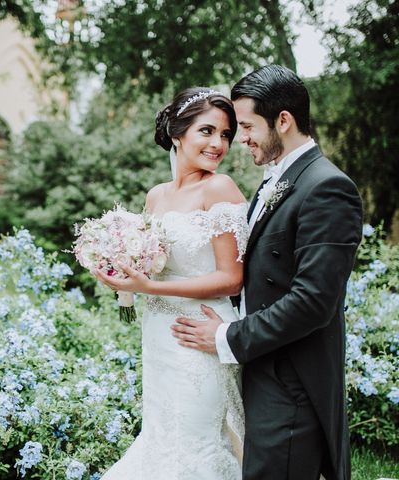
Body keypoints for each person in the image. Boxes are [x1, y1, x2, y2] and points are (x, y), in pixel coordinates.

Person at [171, 65, 363, 480]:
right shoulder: (278, 180)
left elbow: (314, 301)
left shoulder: (328, 188)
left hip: (293, 385)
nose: (240, 139)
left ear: (283, 120)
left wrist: (226, 336)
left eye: (247, 126)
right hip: (264, 373)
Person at [93, 87, 249, 479]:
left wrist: (150, 288)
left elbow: (231, 278)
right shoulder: (156, 197)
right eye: (207, 131)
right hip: (158, 336)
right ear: (178, 134)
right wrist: (119, 275)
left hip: (199, 334)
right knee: (163, 438)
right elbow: (153, 266)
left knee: (196, 443)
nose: (219, 144)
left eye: (226, 134)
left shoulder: (219, 188)